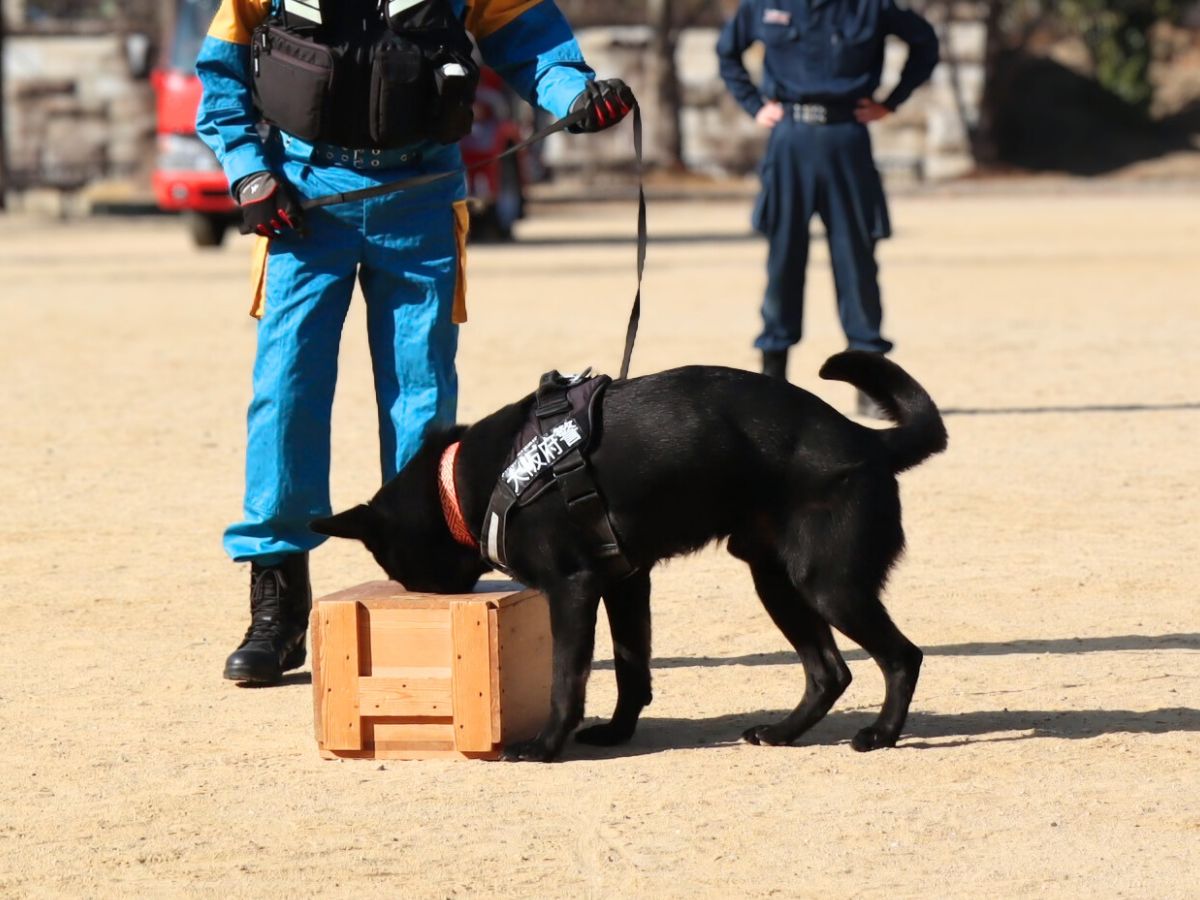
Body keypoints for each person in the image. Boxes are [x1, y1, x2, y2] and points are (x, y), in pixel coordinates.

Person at [196, 0, 634, 685]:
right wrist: (250, 171)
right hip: (303, 198)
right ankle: (276, 602)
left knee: (421, 399)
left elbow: (533, 41)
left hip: (422, 194)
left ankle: (429, 586)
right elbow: (222, 74)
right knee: (286, 395)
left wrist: (579, 92)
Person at [717, 0, 938, 411]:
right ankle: (773, 380)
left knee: (857, 261)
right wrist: (753, 104)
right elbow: (728, 51)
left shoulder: (870, 7)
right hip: (789, 140)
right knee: (783, 262)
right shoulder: (765, 5)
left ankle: (871, 382)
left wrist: (892, 101)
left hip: (846, 138)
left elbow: (925, 43)